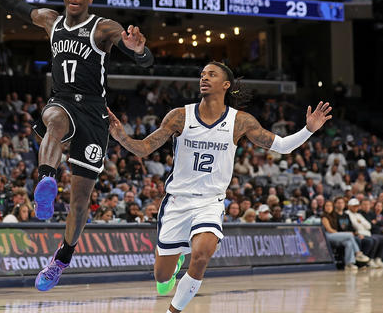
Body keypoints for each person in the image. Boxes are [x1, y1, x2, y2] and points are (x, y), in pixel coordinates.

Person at [0, 0, 153, 292]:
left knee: (81, 199)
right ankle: (46, 180)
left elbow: (141, 58)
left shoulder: (103, 28)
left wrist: (139, 51)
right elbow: (14, 4)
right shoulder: (50, 21)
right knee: (53, 120)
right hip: (62, 100)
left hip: (93, 111)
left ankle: (61, 259)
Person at [108, 61, 332, 313]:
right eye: (202, 74)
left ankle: (173, 311)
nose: (204, 78)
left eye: (211, 74)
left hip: (210, 202)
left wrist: (308, 130)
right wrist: (121, 137)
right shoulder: (180, 116)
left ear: (226, 85)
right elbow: (145, 148)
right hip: (177, 201)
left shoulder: (241, 121)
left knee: (202, 255)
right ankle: (173, 263)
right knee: (161, 277)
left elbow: (282, 146)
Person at [321, 200, 369, 270]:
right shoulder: (324, 217)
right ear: (324, 207)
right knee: (350, 235)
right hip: (328, 236)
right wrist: (339, 233)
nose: (329, 207)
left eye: (330, 206)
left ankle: (349, 264)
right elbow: (329, 229)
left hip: (335, 235)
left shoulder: (334, 216)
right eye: (327, 206)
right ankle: (358, 253)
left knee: (348, 243)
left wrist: (339, 233)